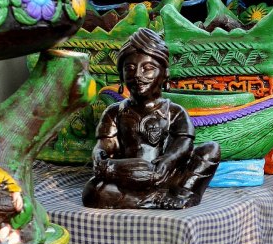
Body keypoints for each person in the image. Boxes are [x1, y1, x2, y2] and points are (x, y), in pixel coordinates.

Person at [82, 28, 220, 209]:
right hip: (127, 177)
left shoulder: (174, 111)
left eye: (147, 69)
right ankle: (153, 199)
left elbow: (184, 143)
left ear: (165, 74)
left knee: (211, 149)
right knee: (93, 191)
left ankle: (185, 193)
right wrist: (100, 157)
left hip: (167, 175)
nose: (137, 75)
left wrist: (168, 159)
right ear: (121, 75)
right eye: (129, 68)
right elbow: (105, 145)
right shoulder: (114, 112)